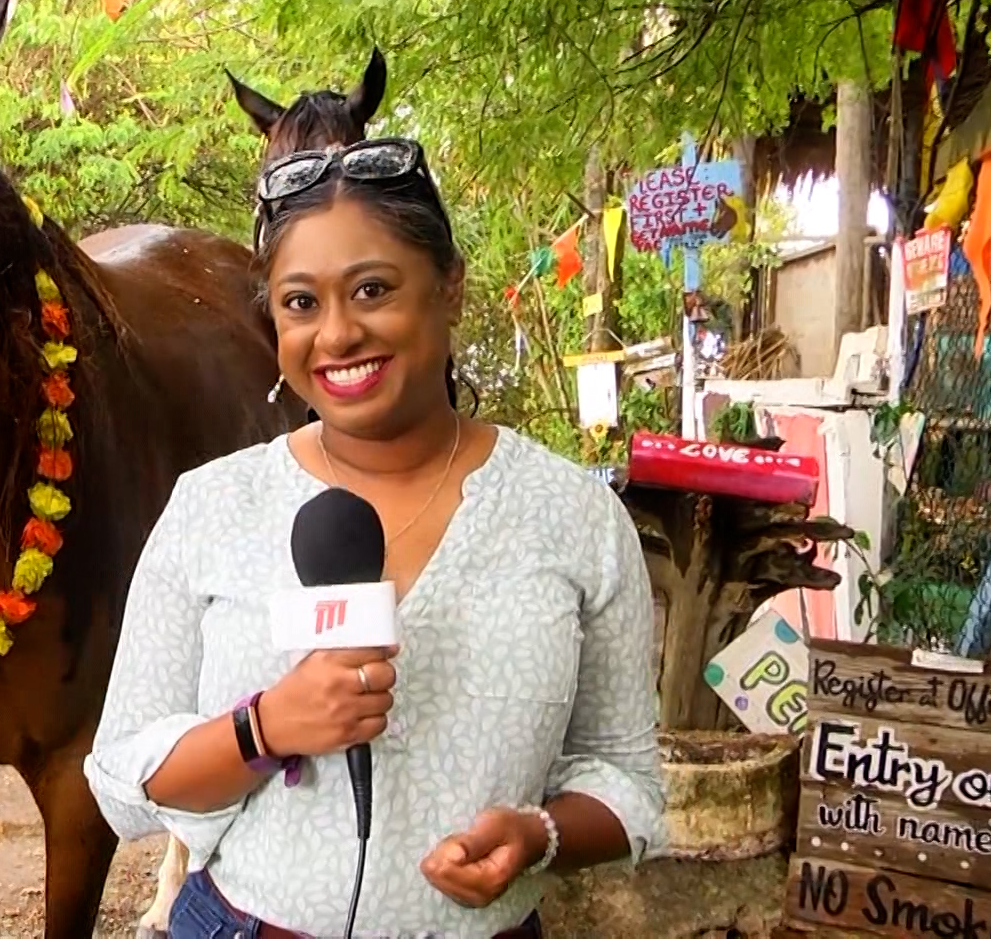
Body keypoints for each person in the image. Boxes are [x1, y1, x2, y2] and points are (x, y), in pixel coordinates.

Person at [83, 137, 664, 938]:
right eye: (300, 303)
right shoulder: (212, 506)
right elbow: (122, 780)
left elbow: (629, 781)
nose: (337, 334)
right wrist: (264, 728)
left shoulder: (573, 517)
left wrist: (541, 835)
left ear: (450, 287)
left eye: (372, 289)